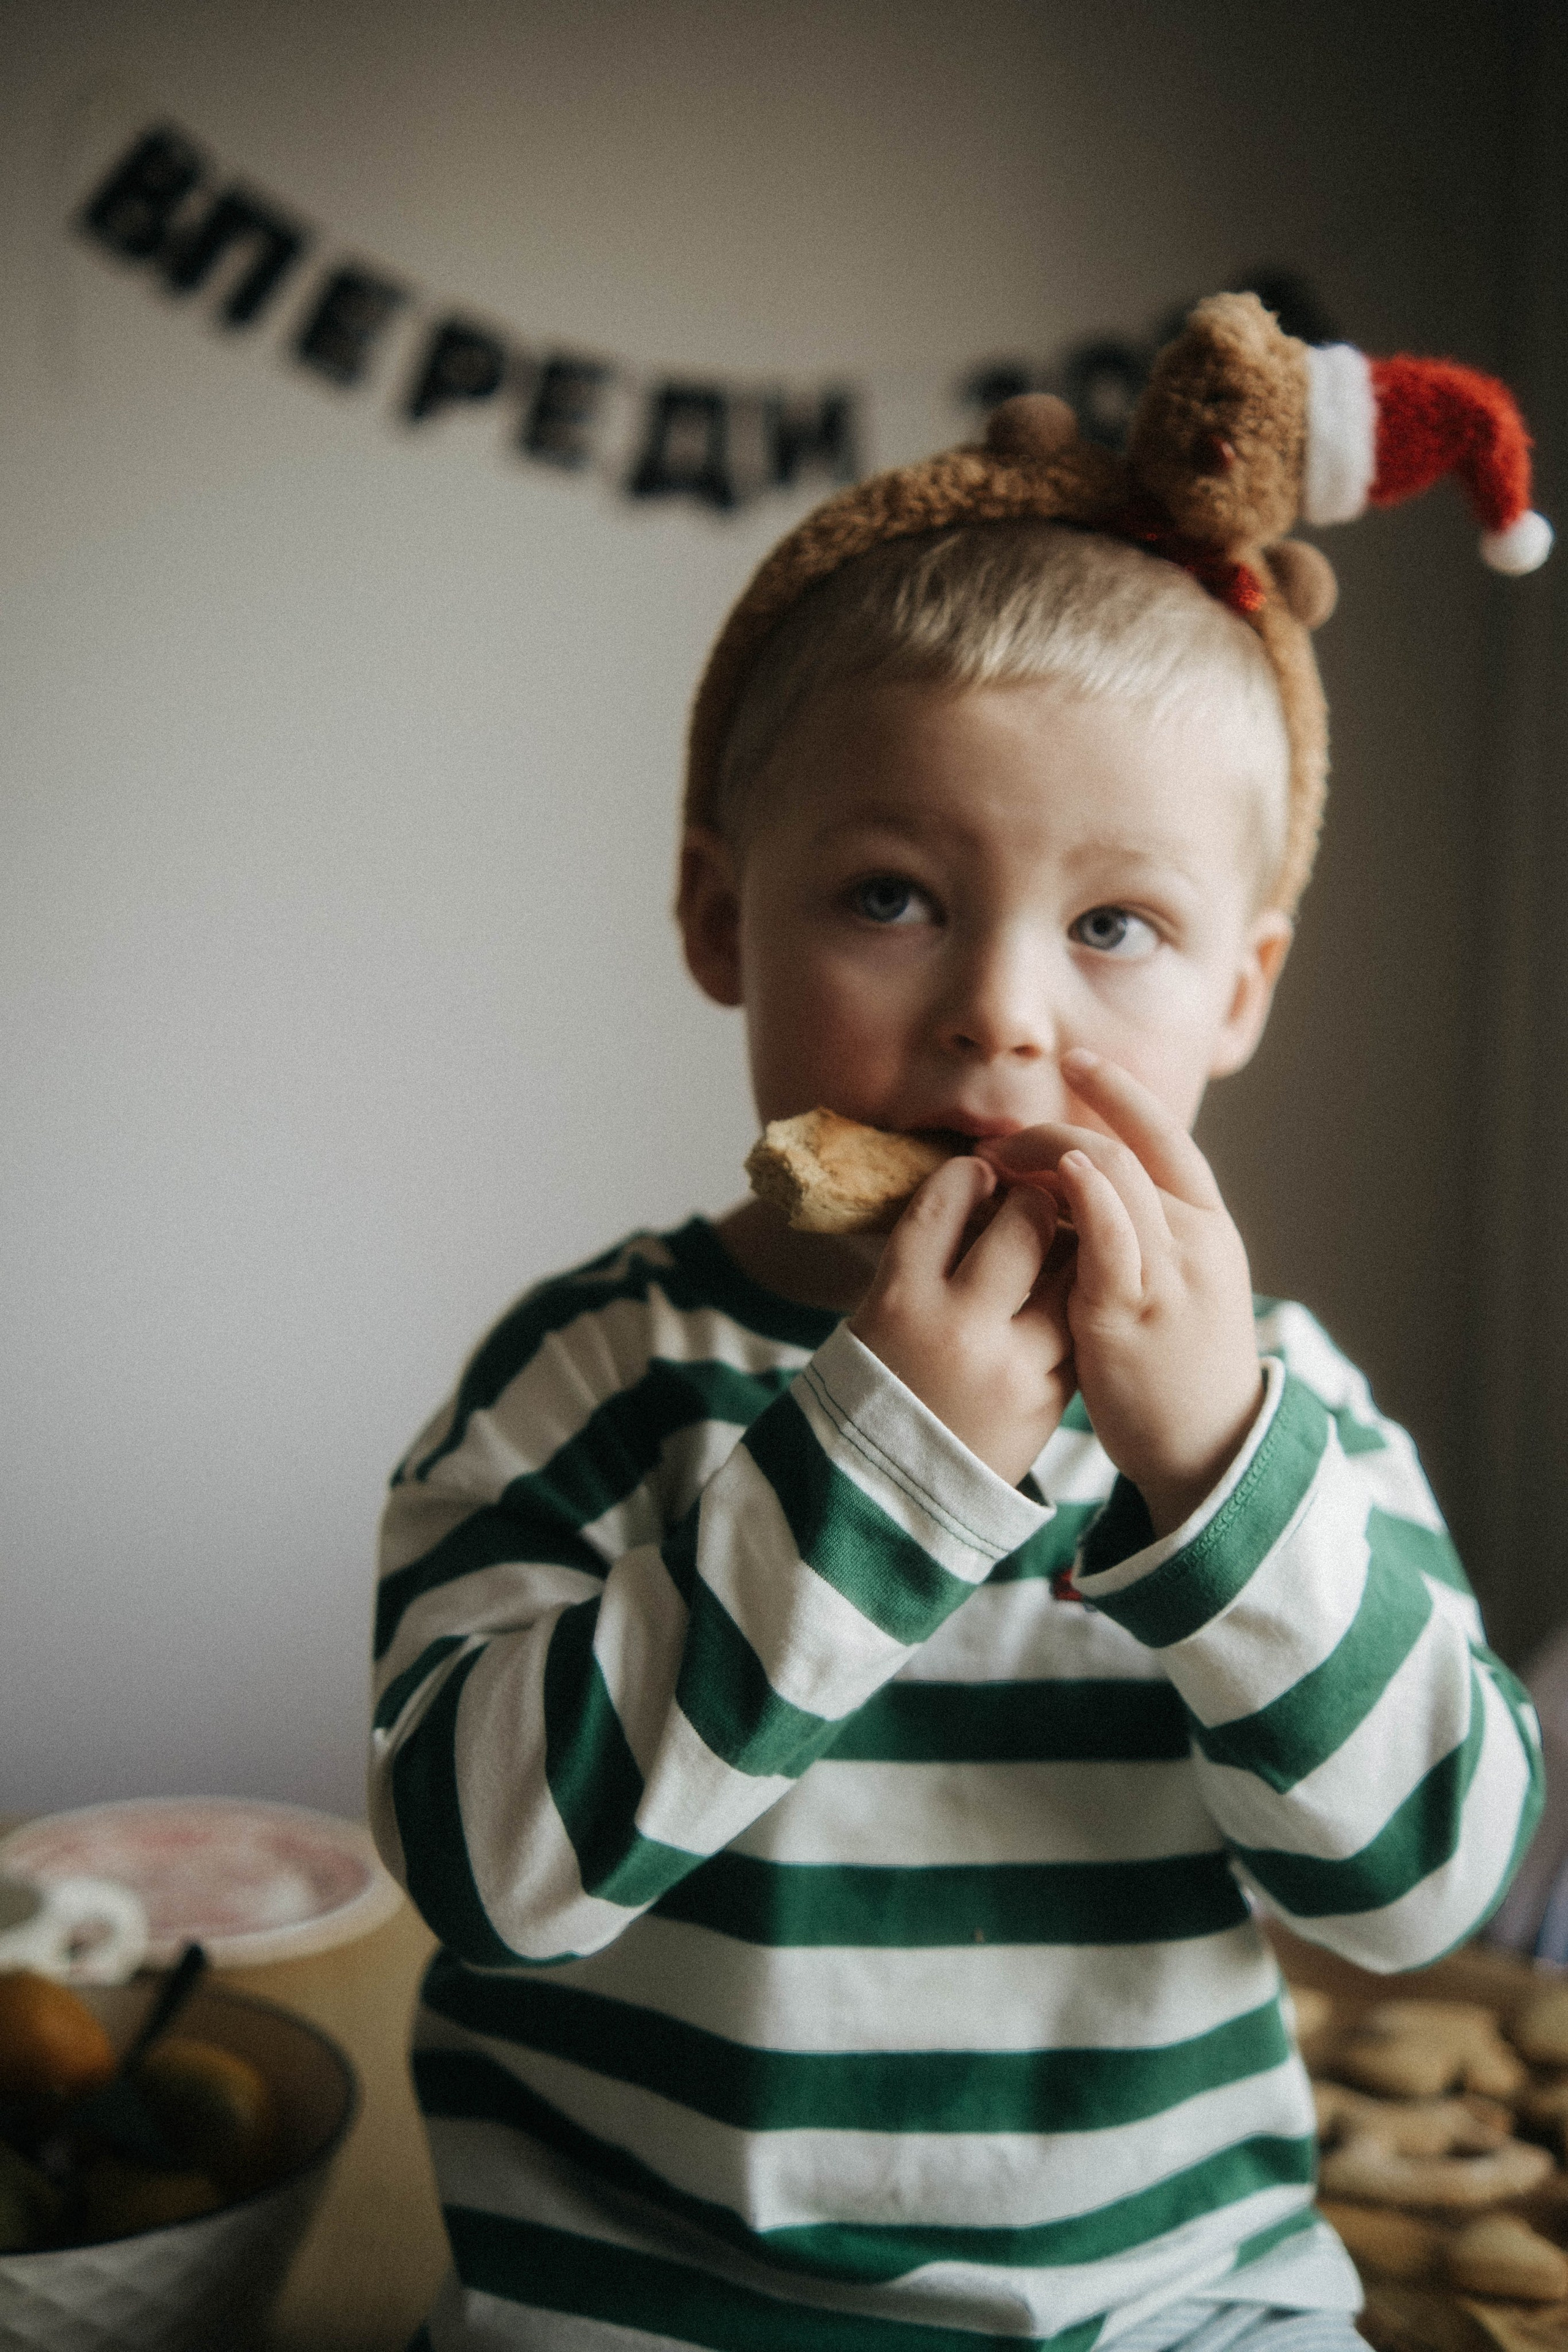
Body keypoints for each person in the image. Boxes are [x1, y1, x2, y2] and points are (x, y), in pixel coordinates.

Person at [370, 297, 1547, 2352]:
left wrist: (1210, 1469)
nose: (1007, 1012)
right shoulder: (588, 1376)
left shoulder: (1286, 1420)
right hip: (649, 2300)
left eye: (1115, 927)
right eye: (896, 895)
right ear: (722, 917)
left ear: (1240, 992)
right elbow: (486, 1878)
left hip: (1176, 2303)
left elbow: (1440, 1895)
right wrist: (881, 1470)